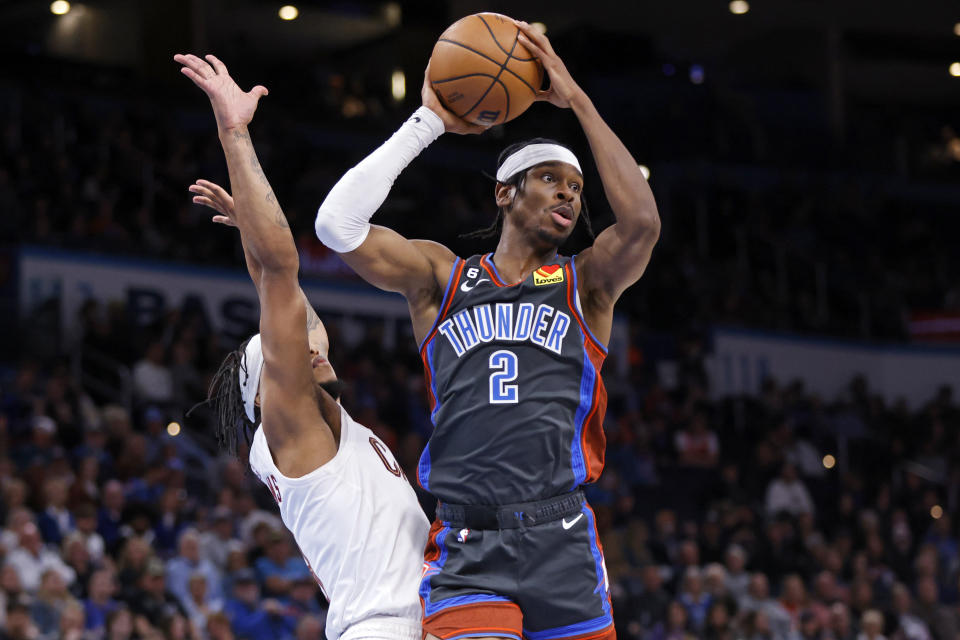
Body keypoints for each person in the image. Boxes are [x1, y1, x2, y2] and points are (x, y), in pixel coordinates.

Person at [314, 20, 660, 640]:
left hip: (563, 537)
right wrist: (427, 123)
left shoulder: (586, 284)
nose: (570, 195)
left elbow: (640, 226)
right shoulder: (440, 278)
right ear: (505, 193)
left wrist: (575, 98)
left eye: (577, 188)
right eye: (552, 179)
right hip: (469, 541)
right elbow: (336, 225)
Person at [174, 52, 428, 640]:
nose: (314, 346)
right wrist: (234, 134)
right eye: (289, 351)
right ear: (269, 389)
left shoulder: (313, 424)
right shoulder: (290, 428)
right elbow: (283, 275)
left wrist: (251, 239)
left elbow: (281, 291)